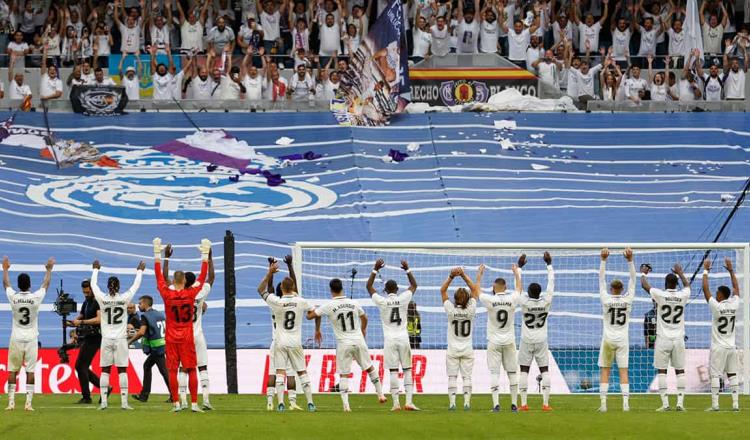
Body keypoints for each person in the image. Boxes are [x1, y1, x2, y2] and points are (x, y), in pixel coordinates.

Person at [307, 278, 386, 412]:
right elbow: (365, 317)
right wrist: (363, 330)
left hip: (344, 343)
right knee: (370, 368)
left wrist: (312, 311)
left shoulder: (329, 305)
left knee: (344, 374)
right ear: (342, 288)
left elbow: (310, 316)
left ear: (331, 290)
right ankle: (381, 394)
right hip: (358, 340)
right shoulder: (353, 303)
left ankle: (346, 406)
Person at [153, 236, 211, 413]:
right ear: (185, 281)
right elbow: (202, 277)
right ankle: (194, 404)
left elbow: (158, 276)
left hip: (171, 337)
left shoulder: (166, 294)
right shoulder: (191, 293)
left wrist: (158, 254)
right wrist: (205, 255)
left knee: (172, 370)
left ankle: (176, 404)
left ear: (173, 280)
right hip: (187, 336)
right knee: (192, 369)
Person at [257, 260, 317, 412]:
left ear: (282, 288)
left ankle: (279, 403)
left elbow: (263, 289)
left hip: (279, 341)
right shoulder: (300, 301)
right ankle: (309, 403)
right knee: (301, 372)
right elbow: (313, 312)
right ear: (293, 288)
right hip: (295, 341)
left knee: (278, 373)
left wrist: (270, 272)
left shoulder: (275, 302)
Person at [90, 259, 144, 410]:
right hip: (120, 339)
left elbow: (94, 286)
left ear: (108, 287)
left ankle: (104, 403)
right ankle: (124, 403)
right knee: (122, 370)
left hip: (106, 338)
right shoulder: (124, 299)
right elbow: (135, 286)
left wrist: (95, 270)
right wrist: (139, 271)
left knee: (105, 370)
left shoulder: (102, 299)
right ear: (119, 287)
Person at [367, 258, 419, 411]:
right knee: (408, 369)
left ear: (385, 290)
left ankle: (396, 404)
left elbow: (368, 286)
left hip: (389, 339)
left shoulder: (382, 301)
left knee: (393, 371)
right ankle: (408, 402)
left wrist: (375, 269)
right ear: (397, 289)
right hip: (403, 338)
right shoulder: (403, 299)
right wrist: (407, 269)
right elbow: (414, 285)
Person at [3, 256, 54, 412]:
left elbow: (5, 284)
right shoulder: (35, 298)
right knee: (30, 371)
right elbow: (46, 284)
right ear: (30, 285)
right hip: (31, 338)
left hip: (16, 338)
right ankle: (28, 404)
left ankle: (11, 403)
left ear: (18, 285)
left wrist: (5, 269)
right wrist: (49, 270)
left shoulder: (14, 297)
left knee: (12, 370)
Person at [641, 261, 690, 411]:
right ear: (676, 284)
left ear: (665, 283)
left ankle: (665, 405)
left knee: (662, 371)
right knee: (680, 370)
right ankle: (680, 404)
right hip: (678, 339)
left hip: (663, 339)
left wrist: (643, 272)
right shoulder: (683, 295)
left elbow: (644, 285)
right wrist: (680, 272)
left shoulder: (660, 295)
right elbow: (688, 286)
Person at [480, 254, 524, 412]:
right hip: (509, 341)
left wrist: (479, 273)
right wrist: (516, 272)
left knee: (494, 372)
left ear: (494, 288)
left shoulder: (490, 300)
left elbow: (476, 290)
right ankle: (514, 405)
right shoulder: (512, 298)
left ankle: (496, 405)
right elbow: (519, 288)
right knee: (512, 372)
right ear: (505, 287)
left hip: (494, 341)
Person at [597, 247, 636, 413]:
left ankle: (604, 405)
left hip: (608, 340)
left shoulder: (606, 299)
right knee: (623, 371)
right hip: (622, 340)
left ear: (611, 289)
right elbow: (633, 280)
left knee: (605, 370)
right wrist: (630, 260)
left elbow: (601, 279)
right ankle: (625, 405)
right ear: (621, 289)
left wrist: (603, 260)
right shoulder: (628, 299)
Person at [440, 265, 482, 411]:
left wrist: (452, 276)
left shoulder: (450, 310)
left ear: (455, 299)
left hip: (452, 349)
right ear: (468, 299)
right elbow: (475, 290)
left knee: (452, 377)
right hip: (467, 349)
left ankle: (452, 404)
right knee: (467, 377)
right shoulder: (471, 309)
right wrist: (463, 275)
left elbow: (442, 290)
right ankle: (466, 403)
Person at [517, 251, 554, 412]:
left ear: (529, 293)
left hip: (526, 339)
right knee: (544, 369)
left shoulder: (524, 301)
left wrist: (519, 268)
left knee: (524, 369)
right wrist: (549, 265)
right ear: (539, 293)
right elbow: (551, 285)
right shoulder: (546, 301)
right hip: (541, 339)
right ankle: (545, 404)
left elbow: (517, 288)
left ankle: (524, 404)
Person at [702, 257, 740, 412]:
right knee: (732, 374)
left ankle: (715, 405)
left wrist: (705, 270)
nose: (715, 294)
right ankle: (735, 404)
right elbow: (737, 289)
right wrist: (731, 270)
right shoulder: (735, 304)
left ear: (721, 295)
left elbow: (705, 290)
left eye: (717, 293)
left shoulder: (717, 307)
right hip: (731, 346)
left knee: (716, 375)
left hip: (719, 347)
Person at [129, 295, 171, 403]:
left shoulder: (145, 316)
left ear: (146, 304)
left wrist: (129, 341)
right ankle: (144, 395)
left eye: (140, 303)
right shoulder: (159, 314)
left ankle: (174, 395)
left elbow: (141, 332)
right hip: (163, 345)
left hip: (156, 348)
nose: (139, 306)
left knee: (164, 371)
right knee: (148, 366)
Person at [70, 279, 103, 404]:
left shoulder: (97, 302)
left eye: (88, 292)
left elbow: (99, 319)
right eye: (84, 292)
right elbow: (82, 315)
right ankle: (104, 388)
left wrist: (82, 322)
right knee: (80, 366)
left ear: (93, 289)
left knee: (81, 366)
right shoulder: (86, 302)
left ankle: (87, 396)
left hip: (95, 337)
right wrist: (73, 321)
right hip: (87, 336)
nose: (86, 294)